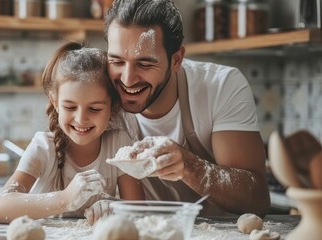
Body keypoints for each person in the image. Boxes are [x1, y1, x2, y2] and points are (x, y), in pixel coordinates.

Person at [104, 0, 270, 216]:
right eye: (117, 62)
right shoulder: (99, 96)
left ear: (176, 60)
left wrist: (190, 166)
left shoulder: (221, 86)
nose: (127, 79)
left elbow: (257, 199)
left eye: (144, 64)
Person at [0, 42, 145, 224]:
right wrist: (65, 199)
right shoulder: (43, 147)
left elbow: (139, 212)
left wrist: (114, 207)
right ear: (55, 103)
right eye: (70, 107)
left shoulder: (118, 144)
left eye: (94, 109)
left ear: (112, 108)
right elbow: (0, 209)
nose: (81, 119)